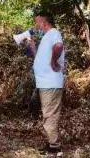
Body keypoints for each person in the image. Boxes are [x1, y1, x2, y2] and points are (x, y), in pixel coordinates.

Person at [32, 13, 65, 157]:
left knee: (50, 114)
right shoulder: (47, 37)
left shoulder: (54, 33)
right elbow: (39, 59)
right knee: (48, 113)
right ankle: (52, 142)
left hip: (50, 82)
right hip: (45, 82)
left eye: (37, 22)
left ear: (44, 22)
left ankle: (55, 147)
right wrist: (33, 47)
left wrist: (53, 62)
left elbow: (59, 46)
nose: (36, 25)